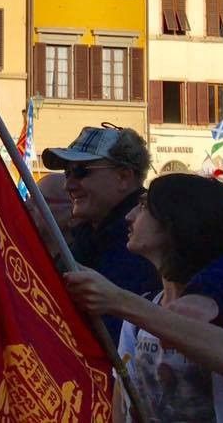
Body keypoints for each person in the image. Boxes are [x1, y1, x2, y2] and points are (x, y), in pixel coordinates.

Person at [66, 174, 223, 422]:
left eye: (144, 206)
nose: (129, 216)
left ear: (178, 221)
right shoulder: (141, 313)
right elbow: (125, 403)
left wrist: (119, 301)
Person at [41, 126, 161, 341]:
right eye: (67, 173)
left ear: (123, 177)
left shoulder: (154, 234)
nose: (69, 184)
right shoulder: (88, 236)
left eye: (81, 171)